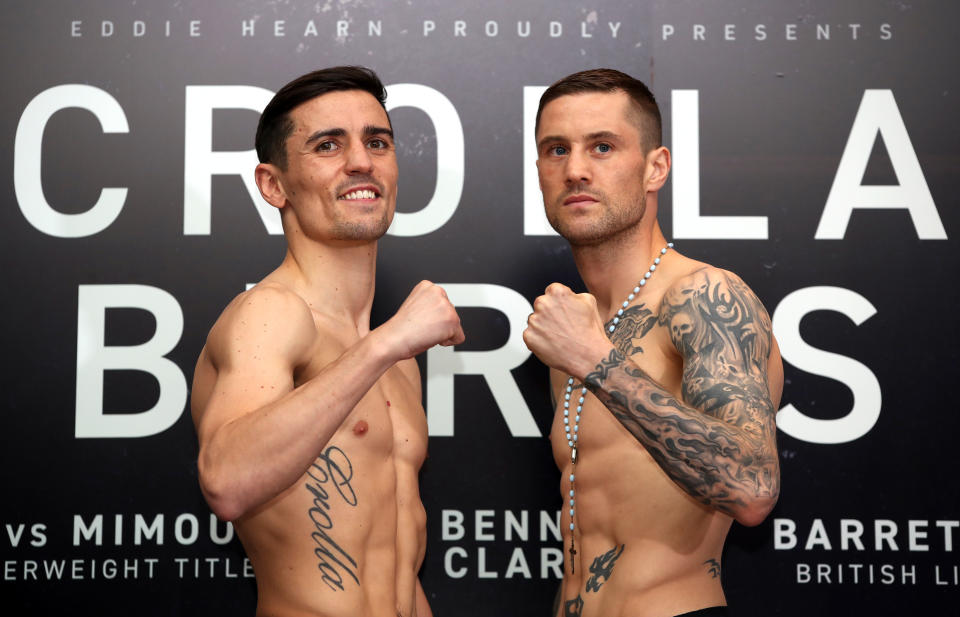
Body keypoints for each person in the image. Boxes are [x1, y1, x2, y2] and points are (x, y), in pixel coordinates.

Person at [190, 66, 463, 617]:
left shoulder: (390, 356)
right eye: (327, 145)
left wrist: (383, 347)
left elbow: (396, 565)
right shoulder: (272, 313)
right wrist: (385, 345)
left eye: (377, 142)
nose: (361, 160)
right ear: (274, 185)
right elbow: (226, 481)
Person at [522, 68, 783, 617]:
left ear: (655, 167)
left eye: (602, 147)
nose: (575, 170)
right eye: (555, 150)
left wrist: (595, 361)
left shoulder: (703, 295)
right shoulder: (578, 322)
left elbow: (753, 488)